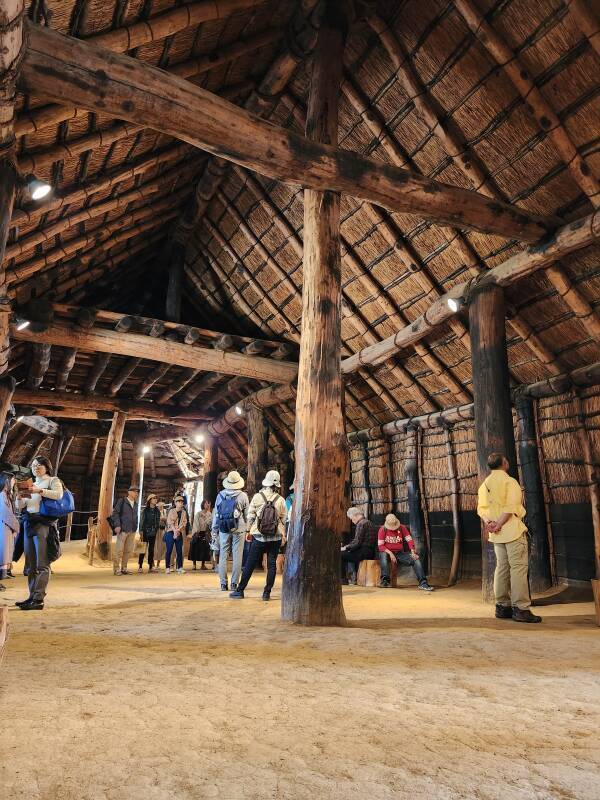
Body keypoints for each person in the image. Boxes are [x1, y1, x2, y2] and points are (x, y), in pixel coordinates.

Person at [477, 452, 541, 623]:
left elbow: (481, 509)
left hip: (496, 535)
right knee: (518, 569)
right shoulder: (509, 482)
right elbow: (511, 507)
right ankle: (521, 609)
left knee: (502, 568)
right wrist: (499, 524)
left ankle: (502, 606)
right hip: (511, 531)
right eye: (506, 460)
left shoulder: (485, 484)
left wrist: (490, 523)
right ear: (504, 463)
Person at [230, 470, 286, 601]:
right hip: (275, 537)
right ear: (277, 484)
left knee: (250, 563)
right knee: (271, 564)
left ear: (266, 483)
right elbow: (283, 519)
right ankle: (266, 593)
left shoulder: (257, 497)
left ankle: (240, 591)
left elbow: (250, 516)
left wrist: (248, 531)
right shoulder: (281, 500)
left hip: (259, 536)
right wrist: (283, 535)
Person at [16, 456, 64, 610]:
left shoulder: (52, 480)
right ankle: (32, 596)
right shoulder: (32, 483)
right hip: (29, 523)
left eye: (39, 465)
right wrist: (19, 498)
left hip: (43, 524)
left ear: (46, 467)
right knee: (30, 565)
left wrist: (39, 491)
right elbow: (23, 505)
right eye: (34, 465)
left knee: (42, 564)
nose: (36, 467)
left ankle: (38, 599)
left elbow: (58, 495)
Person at [212, 470, 249, 591]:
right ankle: (234, 584)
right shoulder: (243, 496)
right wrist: (248, 530)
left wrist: (214, 530)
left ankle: (223, 584)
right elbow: (247, 515)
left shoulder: (221, 495)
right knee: (237, 556)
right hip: (239, 528)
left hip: (223, 528)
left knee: (223, 555)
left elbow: (216, 515)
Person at [377, 513, 434, 591]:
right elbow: (380, 546)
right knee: (383, 554)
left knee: (415, 559)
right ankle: (385, 581)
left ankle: (423, 583)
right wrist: (390, 553)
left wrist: (413, 552)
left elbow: (409, 540)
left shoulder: (402, 527)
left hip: (399, 553)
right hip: (387, 553)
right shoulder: (382, 529)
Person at [341, 507, 377, 584]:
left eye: (351, 518)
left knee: (340, 555)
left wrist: (346, 548)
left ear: (356, 515)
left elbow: (357, 542)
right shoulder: (369, 522)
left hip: (364, 552)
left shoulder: (361, 524)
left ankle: (342, 579)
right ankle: (353, 577)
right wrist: (348, 547)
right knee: (349, 552)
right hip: (370, 552)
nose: (352, 520)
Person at [111, 485, 139, 576]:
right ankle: (116, 568)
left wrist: (136, 526)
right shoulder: (122, 501)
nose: (137, 493)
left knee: (128, 550)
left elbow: (135, 516)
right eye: (135, 491)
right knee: (118, 550)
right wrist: (117, 525)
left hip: (132, 530)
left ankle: (124, 568)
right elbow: (115, 514)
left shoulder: (136, 504)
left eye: (137, 492)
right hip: (123, 529)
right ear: (129, 492)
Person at [0, 473, 18, 592]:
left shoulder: (7, 495)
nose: (14, 482)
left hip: (7, 529)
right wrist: (17, 526)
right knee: (2, 554)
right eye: (12, 480)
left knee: (4, 554)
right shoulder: (2, 495)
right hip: (3, 528)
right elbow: (6, 514)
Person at [164, 496, 188, 574]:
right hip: (170, 532)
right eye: (179, 502)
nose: (180, 503)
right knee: (169, 550)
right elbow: (169, 522)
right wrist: (174, 530)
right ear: (175, 503)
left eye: (182, 502)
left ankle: (180, 567)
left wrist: (178, 530)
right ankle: (167, 567)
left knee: (179, 551)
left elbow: (184, 523)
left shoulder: (184, 512)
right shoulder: (171, 511)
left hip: (179, 532)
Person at [138, 493, 161, 573]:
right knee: (143, 549)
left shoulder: (157, 511)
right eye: (153, 498)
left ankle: (151, 566)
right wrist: (141, 532)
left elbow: (158, 521)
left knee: (151, 550)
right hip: (145, 532)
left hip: (153, 532)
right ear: (149, 500)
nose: (155, 499)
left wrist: (156, 529)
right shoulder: (145, 510)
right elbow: (141, 522)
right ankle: (140, 566)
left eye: (156, 498)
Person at [189, 499, 212, 570]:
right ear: (202, 505)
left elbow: (210, 523)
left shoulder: (209, 514)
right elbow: (196, 523)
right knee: (195, 548)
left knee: (205, 548)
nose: (207, 505)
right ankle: (194, 564)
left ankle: (203, 564)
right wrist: (196, 531)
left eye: (208, 504)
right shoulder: (198, 513)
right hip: (198, 532)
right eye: (206, 504)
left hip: (205, 532)